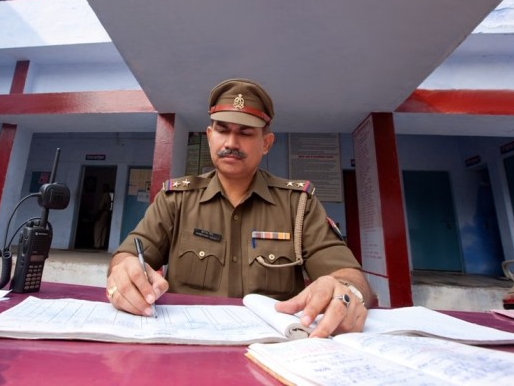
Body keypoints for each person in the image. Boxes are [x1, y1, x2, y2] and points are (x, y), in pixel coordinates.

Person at [106, 78, 372, 338]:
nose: (231, 143)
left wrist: (347, 291)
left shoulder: (299, 204)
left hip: (273, 347)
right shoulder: (175, 199)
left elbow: (348, 275)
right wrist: (125, 270)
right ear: (210, 136)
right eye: (222, 130)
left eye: (245, 133)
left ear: (266, 143)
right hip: (187, 341)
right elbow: (129, 255)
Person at [93, 183, 113, 249]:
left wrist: (99, 214)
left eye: (104, 187)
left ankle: (97, 244)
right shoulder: (109, 196)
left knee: (98, 229)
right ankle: (102, 244)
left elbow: (103, 205)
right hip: (106, 213)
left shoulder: (105, 195)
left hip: (103, 212)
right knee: (104, 229)